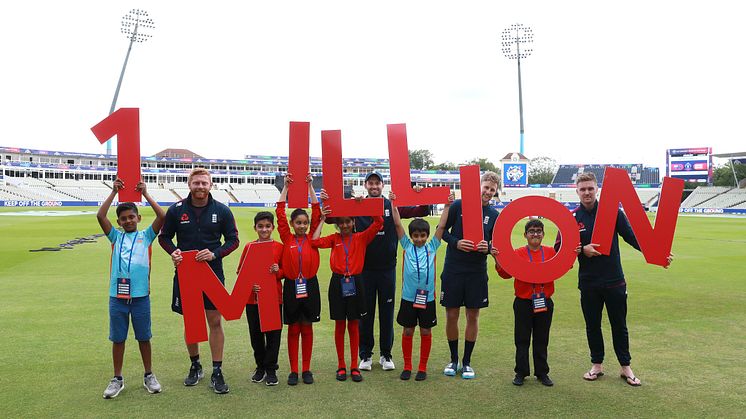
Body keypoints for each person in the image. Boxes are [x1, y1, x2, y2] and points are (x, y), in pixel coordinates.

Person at [555, 171, 673, 387]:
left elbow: (633, 237)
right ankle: (597, 365)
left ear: (597, 188)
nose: (587, 192)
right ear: (577, 191)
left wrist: (658, 253)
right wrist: (583, 250)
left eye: (590, 188)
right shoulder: (571, 217)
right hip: (589, 282)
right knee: (592, 325)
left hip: (614, 280)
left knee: (619, 325)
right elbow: (558, 249)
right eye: (583, 189)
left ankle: (625, 367)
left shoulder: (613, 213)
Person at [321, 172, 429, 371]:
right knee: (365, 313)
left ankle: (386, 354)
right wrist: (326, 200)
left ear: (382, 185)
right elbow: (331, 219)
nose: (374, 186)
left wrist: (420, 195)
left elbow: (419, 209)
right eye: (370, 183)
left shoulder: (391, 204)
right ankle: (365, 354)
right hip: (364, 271)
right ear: (366, 185)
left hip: (387, 268)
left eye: (377, 183)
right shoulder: (357, 205)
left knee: (386, 313)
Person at [158, 168, 239, 394]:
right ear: (189, 185)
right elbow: (164, 237)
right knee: (191, 322)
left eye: (204, 183)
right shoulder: (176, 210)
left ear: (210, 185)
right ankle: (195, 365)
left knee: (214, 321)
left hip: (212, 272)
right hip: (186, 274)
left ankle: (217, 370)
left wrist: (215, 254)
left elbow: (233, 240)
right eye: (196, 183)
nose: (200, 187)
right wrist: (174, 252)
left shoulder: (222, 210)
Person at [96, 178, 165, 399]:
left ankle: (149, 374)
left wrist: (145, 194)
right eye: (123, 218)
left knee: (144, 337)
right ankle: (117, 378)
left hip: (140, 297)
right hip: (117, 297)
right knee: (118, 339)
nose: (128, 221)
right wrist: (113, 193)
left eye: (131, 217)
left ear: (138, 218)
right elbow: (100, 216)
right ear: (119, 221)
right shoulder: (115, 237)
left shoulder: (146, 236)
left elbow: (162, 216)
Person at [492, 219, 579, 387]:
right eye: (531, 231)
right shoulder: (517, 253)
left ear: (543, 234)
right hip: (523, 302)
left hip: (544, 301)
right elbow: (505, 274)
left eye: (539, 231)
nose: (535, 234)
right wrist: (497, 258)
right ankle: (521, 372)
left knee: (542, 339)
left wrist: (572, 252)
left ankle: (542, 372)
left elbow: (564, 265)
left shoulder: (550, 252)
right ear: (525, 235)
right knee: (521, 339)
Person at [311, 203, 384, 382]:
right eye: (341, 222)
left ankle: (354, 366)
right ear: (337, 224)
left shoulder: (361, 237)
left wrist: (361, 206)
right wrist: (322, 219)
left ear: (353, 222)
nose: (344, 225)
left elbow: (378, 222)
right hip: (338, 282)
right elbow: (314, 241)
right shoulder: (334, 239)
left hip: (356, 282)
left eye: (348, 222)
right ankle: (341, 365)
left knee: (353, 324)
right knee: (339, 325)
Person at [440, 171, 500, 379]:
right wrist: (456, 242)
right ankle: (453, 359)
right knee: (452, 314)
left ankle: (466, 362)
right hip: (454, 269)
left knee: (473, 315)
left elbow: (496, 245)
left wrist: (488, 247)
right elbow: (442, 232)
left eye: (492, 190)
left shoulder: (494, 215)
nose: (488, 192)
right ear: (479, 186)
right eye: (486, 187)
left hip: (476, 272)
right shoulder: (458, 205)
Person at [389, 190, 453, 381]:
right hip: (408, 298)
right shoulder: (407, 246)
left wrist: (447, 205)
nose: (419, 239)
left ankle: (422, 367)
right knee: (408, 330)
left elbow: (441, 226)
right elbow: (398, 224)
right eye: (415, 235)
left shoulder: (432, 246)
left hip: (428, 298)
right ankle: (407, 366)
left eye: (422, 235)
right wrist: (393, 204)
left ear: (427, 235)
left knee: (426, 330)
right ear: (411, 236)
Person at [276, 173, 323, 385]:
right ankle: (293, 370)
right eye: (298, 223)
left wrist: (311, 186)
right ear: (293, 224)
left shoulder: (313, 236)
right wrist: (285, 187)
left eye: (305, 223)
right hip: (292, 286)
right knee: (293, 328)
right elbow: (279, 213)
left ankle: (306, 369)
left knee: (307, 327)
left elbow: (317, 210)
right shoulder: (287, 238)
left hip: (310, 286)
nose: (302, 226)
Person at [236, 211, 284, 386]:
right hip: (252, 299)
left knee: (273, 335)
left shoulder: (279, 247)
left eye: (267, 226)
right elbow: (241, 271)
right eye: (260, 226)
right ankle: (260, 367)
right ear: (255, 228)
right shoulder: (249, 247)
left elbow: (286, 271)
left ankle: (271, 369)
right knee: (256, 335)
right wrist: (250, 284)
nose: (264, 229)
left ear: (273, 227)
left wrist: (277, 270)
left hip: (273, 298)